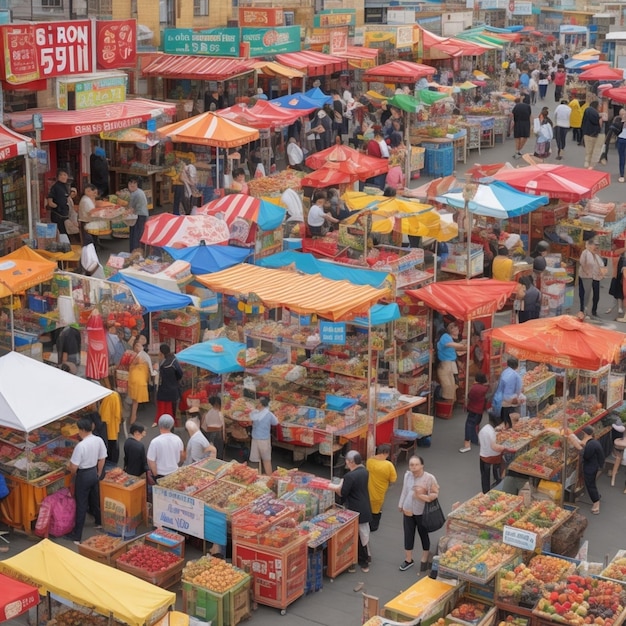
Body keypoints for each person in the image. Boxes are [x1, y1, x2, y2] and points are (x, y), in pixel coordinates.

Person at [65, 417, 107, 544]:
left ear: (83, 430)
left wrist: (72, 474)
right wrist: (98, 473)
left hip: (83, 475)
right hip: (93, 472)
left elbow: (74, 466)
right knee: (94, 499)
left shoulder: (80, 446)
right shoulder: (98, 440)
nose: (78, 432)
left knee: (81, 504)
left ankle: (77, 536)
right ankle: (99, 522)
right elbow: (102, 458)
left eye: (79, 430)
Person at [331, 450, 372, 573]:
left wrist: (336, 488)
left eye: (347, 461)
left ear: (351, 462)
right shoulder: (364, 471)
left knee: (358, 536)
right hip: (365, 506)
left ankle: (363, 561)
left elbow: (342, 493)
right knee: (364, 534)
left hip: (354, 508)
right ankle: (366, 558)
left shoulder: (349, 476)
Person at [398, 456, 439, 573]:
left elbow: (435, 494)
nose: (414, 467)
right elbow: (404, 491)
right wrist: (401, 504)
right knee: (408, 533)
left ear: (422, 465)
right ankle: (408, 559)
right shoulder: (407, 476)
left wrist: (421, 496)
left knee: (423, 533)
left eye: (416, 465)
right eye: (411, 465)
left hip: (421, 511)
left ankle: (425, 556)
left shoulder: (429, 478)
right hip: (408, 509)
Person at [568, 426, 605, 514]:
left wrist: (579, 448)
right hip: (595, 466)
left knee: (590, 485)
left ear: (584, 434)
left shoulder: (591, 445)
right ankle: (597, 497)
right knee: (592, 484)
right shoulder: (593, 442)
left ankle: (596, 504)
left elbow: (586, 456)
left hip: (591, 467)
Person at [366, 444, 397, 532]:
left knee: (369, 506)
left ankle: (366, 524)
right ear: (385, 453)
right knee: (376, 509)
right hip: (380, 492)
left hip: (368, 490)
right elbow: (393, 479)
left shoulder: (370, 461)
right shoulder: (388, 465)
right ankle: (373, 527)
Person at [147, 414, 185, 479]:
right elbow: (182, 456)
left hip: (160, 474)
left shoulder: (155, 442)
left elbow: (151, 461)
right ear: (172, 425)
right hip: (174, 471)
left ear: (159, 425)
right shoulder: (178, 439)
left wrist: (155, 474)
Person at [128, 339, 156, 428]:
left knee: (135, 400)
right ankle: (133, 417)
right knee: (135, 400)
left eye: (139, 346)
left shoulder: (139, 356)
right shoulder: (139, 357)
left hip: (136, 378)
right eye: (137, 346)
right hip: (138, 379)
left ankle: (133, 416)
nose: (138, 347)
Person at [154, 343, 183, 428]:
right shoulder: (173, 360)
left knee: (165, 409)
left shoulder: (164, 363)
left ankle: (166, 425)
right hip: (173, 390)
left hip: (164, 390)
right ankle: (171, 426)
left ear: (161, 353)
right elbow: (180, 374)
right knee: (172, 410)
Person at [478, 413, 508, 494]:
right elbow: (494, 447)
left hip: (483, 455)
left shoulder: (484, 429)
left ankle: (485, 492)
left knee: (484, 476)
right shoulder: (491, 433)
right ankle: (498, 488)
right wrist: (504, 448)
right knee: (498, 473)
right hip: (493, 457)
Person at [436, 321, 465, 402]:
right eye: (453, 329)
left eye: (456, 328)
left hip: (450, 364)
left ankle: (450, 405)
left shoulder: (452, 338)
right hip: (445, 365)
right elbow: (449, 344)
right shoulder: (445, 336)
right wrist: (463, 346)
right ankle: (447, 404)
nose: (456, 330)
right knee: (448, 386)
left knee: (453, 386)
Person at [460, 373, 489, 453]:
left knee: (469, 425)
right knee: (474, 424)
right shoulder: (485, 388)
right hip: (480, 410)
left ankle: (467, 443)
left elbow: (470, 396)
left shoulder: (474, 387)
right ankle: (474, 440)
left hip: (473, 409)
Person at [249, 397, 278, 475]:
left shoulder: (254, 413)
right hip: (264, 440)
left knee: (256, 461)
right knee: (266, 460)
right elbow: (275, 422)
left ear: (261, 404)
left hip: (255, 439)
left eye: (258, 402)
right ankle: (269, 478)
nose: (256, 404)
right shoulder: (268, 414)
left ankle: (257, 477)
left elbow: (250, 419)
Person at [494, 357, 523, 429]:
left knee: (506, 421)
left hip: (503, 402)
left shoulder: (504, 372)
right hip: (511, 403)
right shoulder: (515, 375)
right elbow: (518, 390)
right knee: (513, 424)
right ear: (517, 365)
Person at [579, 238, 604, 319]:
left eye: (597, 245)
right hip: (586, 277)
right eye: (595, 245)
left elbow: (601, 265)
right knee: (585, 295)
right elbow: (582, 263)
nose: (596, 247)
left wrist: (602, 273)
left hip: (596, 277)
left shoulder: (597, 255)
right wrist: (586, 271)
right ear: (589, 245)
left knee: (596, 295)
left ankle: (594, 311)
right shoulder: (585, 253)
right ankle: (583, 311)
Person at [128, 176, 149, 252]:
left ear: (138, 184)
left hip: (139, 215)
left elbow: (131, 208)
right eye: (130, 183)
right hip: (142, 214)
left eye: (134, 183)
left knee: (136, 234)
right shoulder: (139, 191)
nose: (132, 185)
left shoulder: (135, 194)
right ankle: (139, 251)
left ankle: (135, 251)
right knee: (139, 233)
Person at [47, 169, 70, 236]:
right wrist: (58, 207)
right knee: (61, 234)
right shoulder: (55, 187)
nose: (63, 177)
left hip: (64, 215)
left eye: (65, 175)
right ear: (57, 177)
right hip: (58, 215)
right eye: (61, 175)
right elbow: (50, 202)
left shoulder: (65, 186)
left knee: (65, 233)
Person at [202, 395, 226, 459]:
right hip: (218, 435)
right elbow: (223, 428)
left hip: (209, 435)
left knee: (211, 453)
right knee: (219, 453)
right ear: (218, 404)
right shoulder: (220, 414)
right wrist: (224, 438)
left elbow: (204, 427)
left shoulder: (207, 414)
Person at [581, 101, 602, 169]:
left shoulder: (587, 110)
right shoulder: (595, 113)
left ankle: (586, 162)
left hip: (586, 132)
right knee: (593, 149)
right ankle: (591, 164)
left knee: (588, 149)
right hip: (593, 133)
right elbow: (596, 122)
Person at [609, 420, 626, 487]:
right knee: (619, 459)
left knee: (618, 459)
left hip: (620, 449)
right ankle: (613, 476)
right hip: (622, 449)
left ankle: (613, 478)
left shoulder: (623, 428)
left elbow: (620, 429)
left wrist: (612, 424)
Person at [609, 250, 626, 317]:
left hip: (619, 277)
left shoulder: (621, 258)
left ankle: (620, 308)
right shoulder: (621, 258)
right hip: (620, 277)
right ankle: (620, 308)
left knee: (620, 293)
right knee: (620, 293)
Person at [615, 113, 626, 183]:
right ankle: (622, 174)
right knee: (622, 157)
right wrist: (622, 121)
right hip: (622, 138)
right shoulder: (622, 118)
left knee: (622, 157)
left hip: (621, 139)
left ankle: (622, 174)